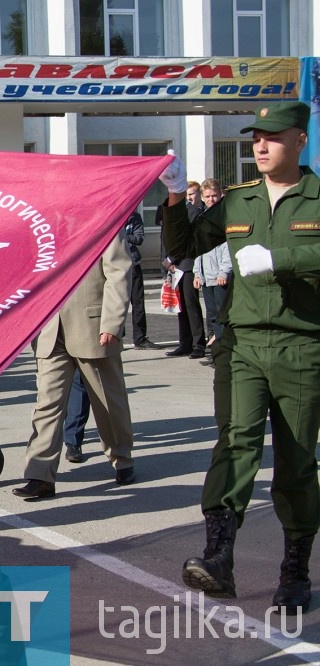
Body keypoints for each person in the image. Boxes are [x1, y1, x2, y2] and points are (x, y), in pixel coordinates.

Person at [162, 101, 320, 612]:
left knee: (295, 462)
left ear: (300, 139)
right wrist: (169, 196)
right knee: (235, 444)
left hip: (302, 345)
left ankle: (295, 568)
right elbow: (183, 245)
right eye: (256, 137)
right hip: (244, 344)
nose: (260, 145)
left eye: (273, 136)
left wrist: (284, 258)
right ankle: (218, 557)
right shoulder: (239, 201)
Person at [13, 229, 136, 499]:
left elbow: (119, 270)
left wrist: (113, 322)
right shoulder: (40, 226)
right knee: (47, 404)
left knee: (107, 402)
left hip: (92, 326)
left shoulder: (104, 221)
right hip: (49, 329)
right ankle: (39, 473)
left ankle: (122, 458)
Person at [164, 182, 207, 359]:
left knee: (191, 305)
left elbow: (187, 240)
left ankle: (199, 344)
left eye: (192, 194)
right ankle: (185, 343)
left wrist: (171, 258)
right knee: (180, 306)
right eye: (186, 194)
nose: (189, 197)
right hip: (177, 265)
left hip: (188, 263)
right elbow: (168, 237)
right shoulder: (175, 211)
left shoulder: (195, 212)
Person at [192, 178, 230, 368]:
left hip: (221, 277)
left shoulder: (225, 216)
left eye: (214, 195)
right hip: (207, 276)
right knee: (212, 316)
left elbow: (228, 249)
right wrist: (197, 274)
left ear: (220, 194)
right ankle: (216, 353)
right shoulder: (203, 217)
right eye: (207, 196)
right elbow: (198, 248)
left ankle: (225, 354)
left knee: (224, 317)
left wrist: (224, 271)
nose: (211, 199)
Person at [124, 209, 156, 349]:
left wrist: (122, 236)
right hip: (115, 265)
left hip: (133, 264)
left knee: (138, 303)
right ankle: (117, 337)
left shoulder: (135, 217)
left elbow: (139, 238)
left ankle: (140, 338)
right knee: (117, 303)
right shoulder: (111, 213)